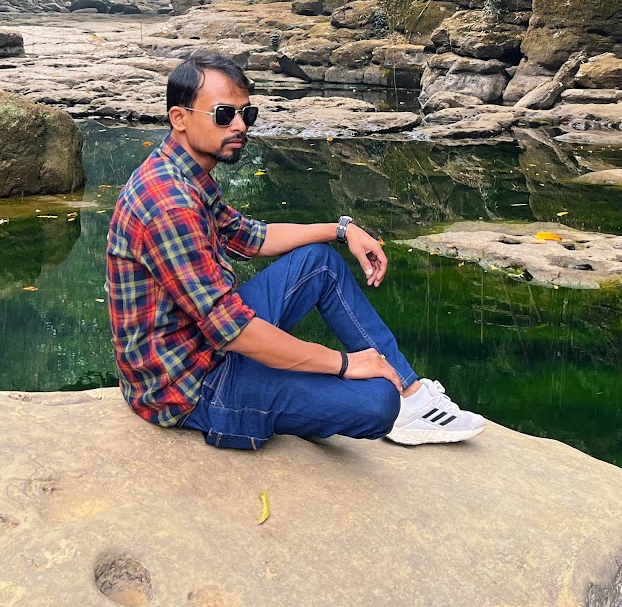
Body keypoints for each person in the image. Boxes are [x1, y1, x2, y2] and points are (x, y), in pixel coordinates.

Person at [107, 50, 485, 450]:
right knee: (377, 403)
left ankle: (409, 394)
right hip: (190, 387)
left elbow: (250, 237)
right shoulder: (170, 204)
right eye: (223, 115)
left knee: (319, 262)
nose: (239, 126)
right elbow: (232, 330)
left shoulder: (185, 174)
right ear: (179, 118)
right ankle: (395, 403)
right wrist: (344, 364)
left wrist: (343, 229)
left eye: (245, 115)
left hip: (203, 346)